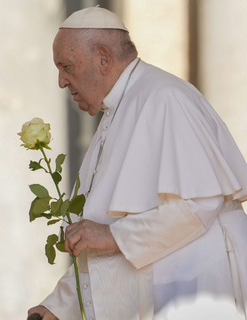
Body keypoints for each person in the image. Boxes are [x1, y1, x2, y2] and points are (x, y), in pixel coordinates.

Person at [28, 6, 247, 320]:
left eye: (67, 66)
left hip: (197, 283)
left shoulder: (165, 97)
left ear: (103, 58)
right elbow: (103, 237)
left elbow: (198, 203)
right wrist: (59, 307)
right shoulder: (114, 115)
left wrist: (113, 236)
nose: (62, 82)